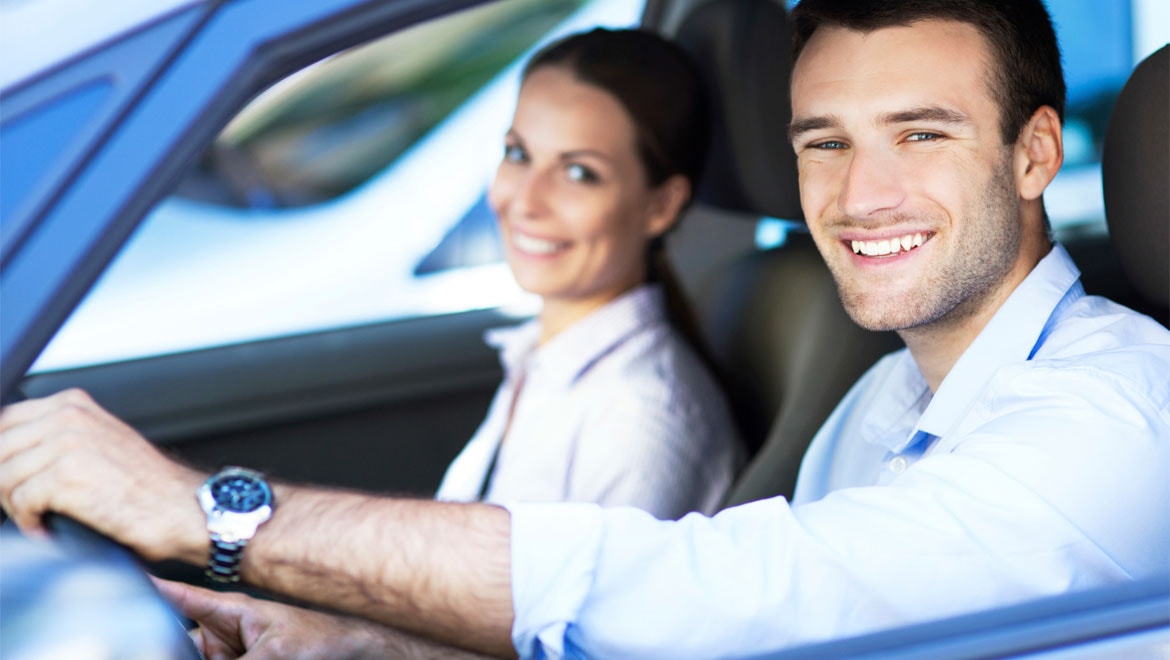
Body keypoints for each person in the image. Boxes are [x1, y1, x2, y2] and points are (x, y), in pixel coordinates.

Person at [1, 1, 1168, 658]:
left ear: (1033, 155)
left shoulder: (1110, 419)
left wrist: (209, 513)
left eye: (920, 135)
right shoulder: (883, 398)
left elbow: (726, 599)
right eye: (825, 141)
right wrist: (328, 641)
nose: (860, 196)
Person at [433, 28, 742, 519]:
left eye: (578, 173)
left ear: (661, 206)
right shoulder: (547, 354)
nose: (526, 202)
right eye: (518, 154)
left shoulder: (638, 419)